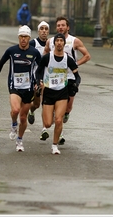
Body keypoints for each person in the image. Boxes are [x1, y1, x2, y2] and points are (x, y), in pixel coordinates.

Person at [0, 25, 41, 152]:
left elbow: (41, 69)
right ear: (18, 37)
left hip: (28, 88)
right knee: (16, 110)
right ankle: (13, 124)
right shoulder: (11, 51)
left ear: (29, 38)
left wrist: (39, 82)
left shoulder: (34, 52)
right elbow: (0, 64)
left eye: (26, 37)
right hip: (14, 86)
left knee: (23, 117)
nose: (23, 39)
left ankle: (20, 140)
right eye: (21, 37)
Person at [43, 16, 91, 144]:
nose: (60, 27)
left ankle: (64, 115)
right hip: (54, 78)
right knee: (56, 106)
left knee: (68, 108)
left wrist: (74, 64)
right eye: (58, 25)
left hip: (70, 77)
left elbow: (87, 56)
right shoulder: (51, 41)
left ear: (68, 27)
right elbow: (45, 54)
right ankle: (59, 133)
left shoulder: (74, 41)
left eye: (63, 25)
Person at [35, 33, 80, 154]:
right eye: (57, 41)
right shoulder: (47, 57)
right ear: (54, 43)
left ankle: (55, 145)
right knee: (48, 123)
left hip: (62, 92)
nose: (59, 43)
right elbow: (38, 71)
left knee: (59, 120)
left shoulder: (68, 59)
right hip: (49, 92)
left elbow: (77, 75)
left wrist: (76, 85)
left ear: (64, 44)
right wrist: (39, 82)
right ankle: (48, 126)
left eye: (61, 41)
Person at [27, 21, 50, 125]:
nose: (44, 31)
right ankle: (31, 111)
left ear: (48, 31)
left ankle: (45, 127)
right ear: (38, 31)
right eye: (42, 29)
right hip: (35, 76)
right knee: (36, 104)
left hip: (48, 77)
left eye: (46, 29)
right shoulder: (33, 44)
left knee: (46, 102)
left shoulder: (52, 44)